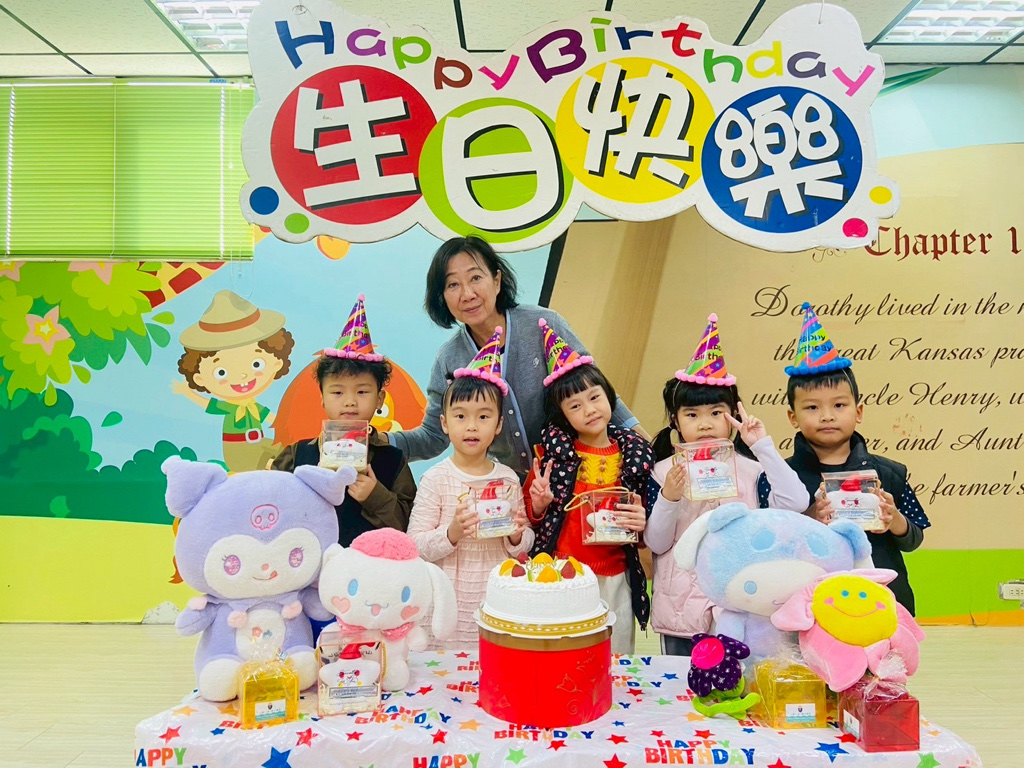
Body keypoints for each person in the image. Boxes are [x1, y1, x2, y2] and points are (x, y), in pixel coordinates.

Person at [388, 235, 644, 479]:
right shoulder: (449, 359)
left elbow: (596, 390)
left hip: (577, 475)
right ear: (442, 297)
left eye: (475, 278)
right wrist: (379, 442)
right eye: (453, 284)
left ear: (497, 280)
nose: (467, 294)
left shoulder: (543, 324)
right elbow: (433, 436)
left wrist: (649, 445)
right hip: (512, 489)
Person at [645, 315, 809, 656]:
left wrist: (762, 446)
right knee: (683, 683)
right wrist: (669, 498)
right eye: (692, 415)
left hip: (740, 604)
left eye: (716, 413)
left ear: (732, 415)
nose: (705, 424)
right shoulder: (662, 473)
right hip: (682, 611)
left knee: (741, 682)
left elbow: (795, 503)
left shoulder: (752, 470)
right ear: (675, 420)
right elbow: (656, 543)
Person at [780, 303, 930, 615]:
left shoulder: (888, 473)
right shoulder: (781, 477)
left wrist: (893, 519)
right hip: (810, 608)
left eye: (839, 405)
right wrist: (809, 518)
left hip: (882, 605)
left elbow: (914, 538)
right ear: (793, 417)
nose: (827, 416)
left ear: (858, 412)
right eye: (812, 408)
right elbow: (771, 543)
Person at [525, 320, 654, 654]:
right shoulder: (552, 458)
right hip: (562, 573)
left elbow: (648, 524)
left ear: (609, 397)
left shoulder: (635, 457)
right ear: (562, 415)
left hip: (616, 575)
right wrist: (539, 504)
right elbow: (530, 517)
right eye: (575, 406)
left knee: (616, 654)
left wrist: (641, 523)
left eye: (594, 397)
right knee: (563, 653)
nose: (589, 409)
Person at [407, 328, 533, 646]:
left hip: (495, 598)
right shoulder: (436, 478)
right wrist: (452, 532)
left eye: (484, 417)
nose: (472, 426)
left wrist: (517, 535)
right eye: (461, 416)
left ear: (499, 424)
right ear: (445, 423)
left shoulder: (507, 478)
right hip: (446, 603)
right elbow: (415, 546)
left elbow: (524, 544)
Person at [272, 295, 415, 546]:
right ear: (322, 398)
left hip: (368, 565)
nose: (350, 402)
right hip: (311, 562)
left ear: (380, 399)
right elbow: (271, 507)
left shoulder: (393, 460)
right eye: (337, 392)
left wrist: (375, 496)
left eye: (362, 392)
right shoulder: (297, 454)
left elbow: (409, 527)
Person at [173, 290, 293, 473]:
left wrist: (289, 428)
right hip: (238, 451)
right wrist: (187, 393)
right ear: (200, 378)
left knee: (284, 448)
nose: (242, 376)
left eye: (256, 364)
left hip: (259, 442)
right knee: (264, 462)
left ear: (277, 362)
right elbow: (208, 404)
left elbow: (273, 419)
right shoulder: (230, 408)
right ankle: (271, 469)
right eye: (221, 372)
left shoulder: (253, 407)